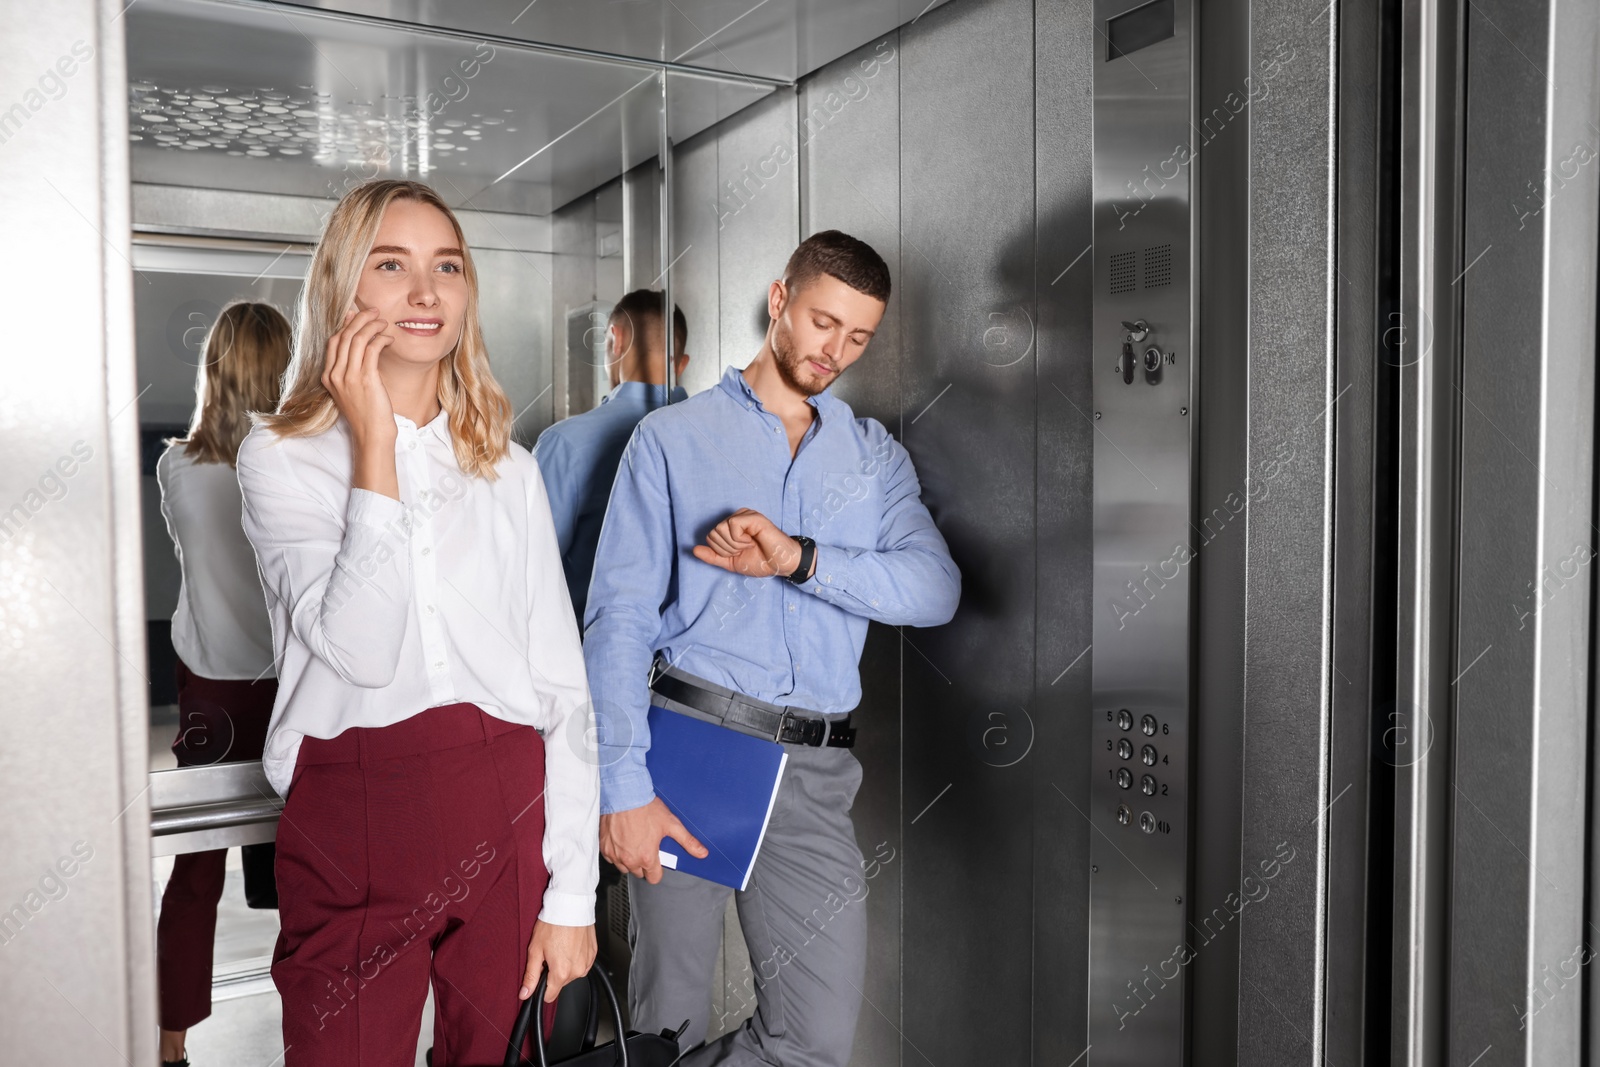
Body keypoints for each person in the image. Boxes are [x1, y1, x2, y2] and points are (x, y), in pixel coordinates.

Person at [235, 179, 598, 1066]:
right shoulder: (279, 459)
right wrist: (373, 447)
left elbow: (561, 684)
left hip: (505, 797)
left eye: (447, 266)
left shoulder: (507, 469)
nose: (427, 293)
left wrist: (575, 894)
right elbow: (361, 648)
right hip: (351, 810)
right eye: (390, 265)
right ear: (341, 289)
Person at [584, 230, 961, 1066]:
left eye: (859, 337)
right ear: (780, 299)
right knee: (662, 1029)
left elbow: (936, 590)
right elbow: (617, 621)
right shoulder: (672, 440)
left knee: (815, 1041)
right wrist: (622, 786)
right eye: (825, 322)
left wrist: (799, 558)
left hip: (816, 776)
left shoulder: (874, 457)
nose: (836, 351)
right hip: (688, 753)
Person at [155, 301, 291, 1067]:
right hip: (292, 690)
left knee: (196, 868)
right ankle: (313, 1018)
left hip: (213, 693)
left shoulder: (177, 466)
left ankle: (170, 1041)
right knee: (308, 869)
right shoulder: (300, 463)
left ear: (214, 369)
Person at [534, 289, 689, 622]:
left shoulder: (565, 443)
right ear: (683, 364)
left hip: (583, 655)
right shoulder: (712, 437)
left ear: (614, 341)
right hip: (684, 666)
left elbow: (530, 573)